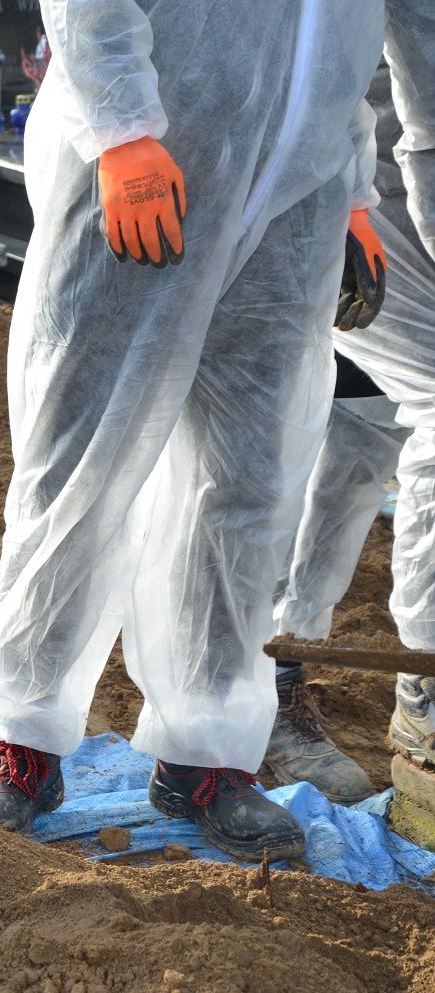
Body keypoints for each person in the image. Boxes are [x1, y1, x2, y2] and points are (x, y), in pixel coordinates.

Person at [0, 0, 387, 861]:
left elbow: (343, 35)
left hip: (298, 197)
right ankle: (24, 744)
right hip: (148, 162)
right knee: (83, 454)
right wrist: (119, 127)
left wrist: (356, 189)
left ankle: (206, 754)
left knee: (248, 483)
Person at [267, 2, 435, 801]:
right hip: (321, 164)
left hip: (395, 176)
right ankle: (424, 699)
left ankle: (285, 648)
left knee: (369, 423)